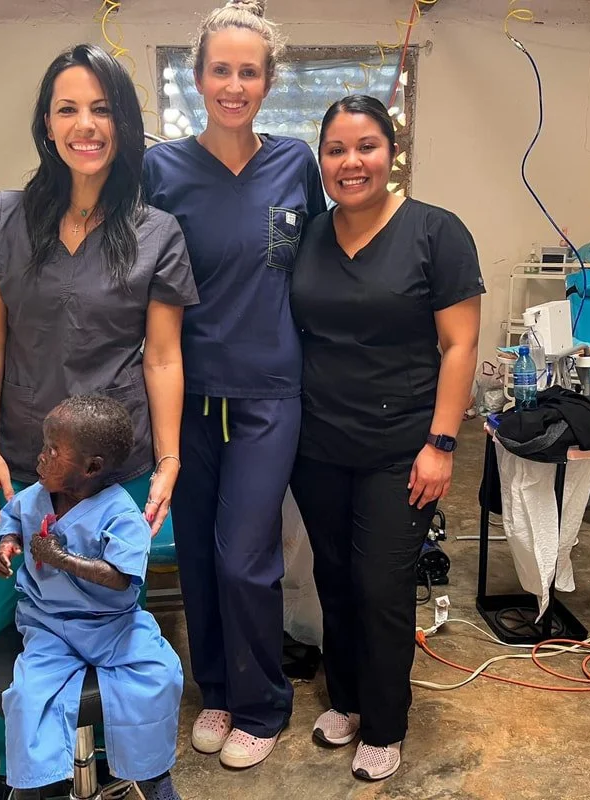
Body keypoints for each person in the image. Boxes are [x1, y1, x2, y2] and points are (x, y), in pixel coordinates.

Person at [0, 44, 198, 799]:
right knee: (5, 616)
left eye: (101, 109)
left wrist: (168, 460)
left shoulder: (156, 230)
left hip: (113, 468)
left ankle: (127, 761)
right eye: (67, 108)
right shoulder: (4, 217)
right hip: (21, 456)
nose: (84, 125)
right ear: (45, 122)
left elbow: (163, 356)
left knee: (111, 619)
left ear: (123, 123)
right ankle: (21, 765)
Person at [141, 0, 327, 770]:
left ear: (268, 82)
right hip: (185, 394)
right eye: (220, 69)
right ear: (196, 77)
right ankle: (216, 690)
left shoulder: (294, 164)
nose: (233, 84)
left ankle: (261, 704)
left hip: (268, 393)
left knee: (245, 555)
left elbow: (320, 268)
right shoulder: (160, 171)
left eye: (248, 72)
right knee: (198, 553)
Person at [289, 95, 483, 782]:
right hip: (317, 444)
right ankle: (345, 700)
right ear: (321, 160)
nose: (351, 162)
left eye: (366, 146)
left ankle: (385, 721)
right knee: (334, 577)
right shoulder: (311, 236)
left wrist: (442, 443)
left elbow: (459, 346)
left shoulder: (436, 232)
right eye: (336, 149)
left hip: (401, 447)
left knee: (380, 584)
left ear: (391, 153)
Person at [0, 396, 184, 800]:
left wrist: (64, 560)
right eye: (44, 445)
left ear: (92, 468)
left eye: (53, 451)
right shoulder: (36, 496)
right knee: (28, 695)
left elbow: (120, 577)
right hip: (49, 625)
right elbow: (12, 517)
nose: (40, 457)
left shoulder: (121, 515)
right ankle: (39, 785)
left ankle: (151, 774)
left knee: (160, 676)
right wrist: (7, 543)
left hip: (113, 626)